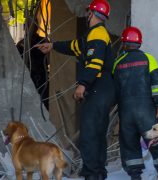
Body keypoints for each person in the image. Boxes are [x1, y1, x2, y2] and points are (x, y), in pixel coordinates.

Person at [34, 1, 115, 179]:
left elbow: (95, 63)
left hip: (98, 89)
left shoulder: (98, 34)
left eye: (89, 13)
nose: (86, 16)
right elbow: (75, 46)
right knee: (97, 133)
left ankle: (92, 174)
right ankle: (98, 173)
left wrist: (83, 84)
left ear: (92, 14)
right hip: (103, 89)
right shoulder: (94, 35)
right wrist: (53, 46)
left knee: (89, 133)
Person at [112, 26, 158, 180]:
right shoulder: (148, 59)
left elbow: (114, 90)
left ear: (124, 43)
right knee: (157, 141)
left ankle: (135, 176)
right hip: (147, 109)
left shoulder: (117, 63)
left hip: (126, 111)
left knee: (129, 144)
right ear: (139, 43)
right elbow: (157, 83)